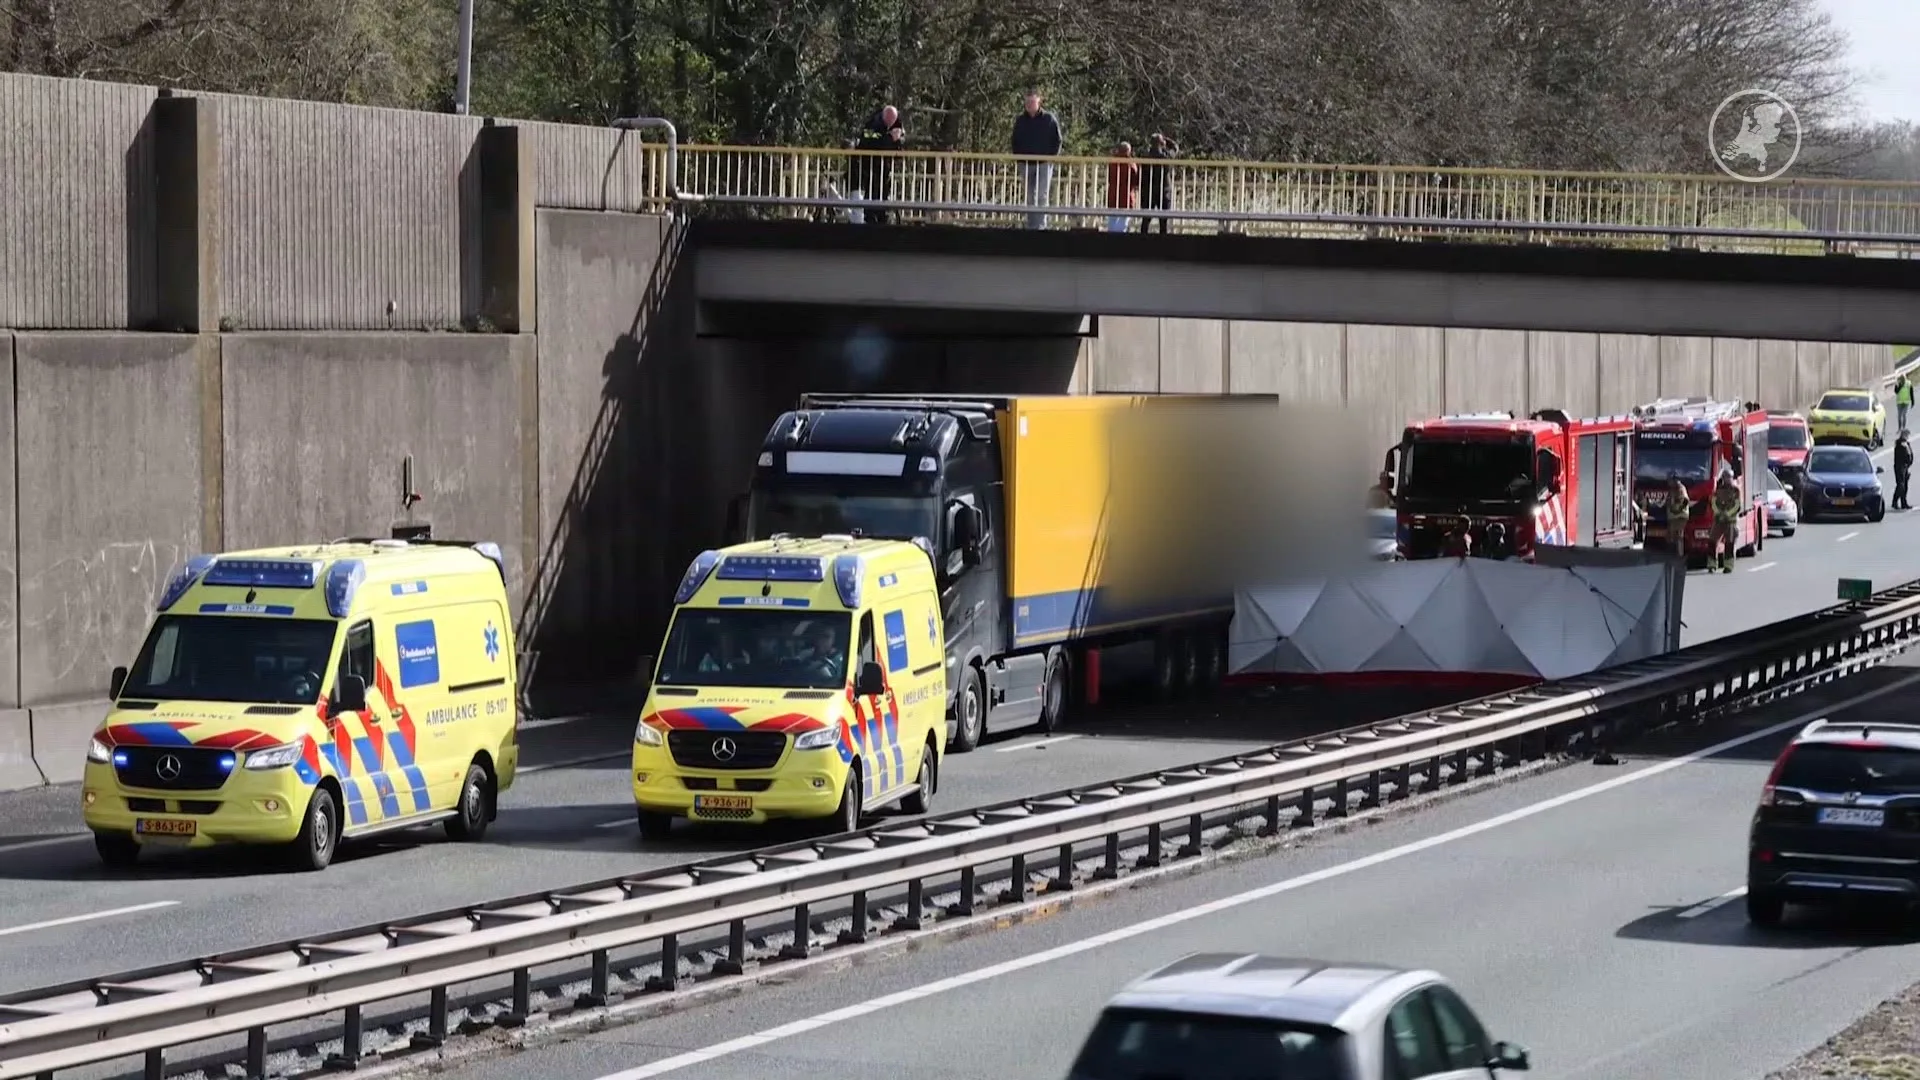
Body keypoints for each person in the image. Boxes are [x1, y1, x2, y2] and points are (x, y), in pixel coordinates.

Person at [1010, 90, 1062, 229]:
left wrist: (1051, 159)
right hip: (1026, 164)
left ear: (1039, 102)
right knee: (1029, 196)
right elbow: (1014, 140)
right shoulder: (1020, 120)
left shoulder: (1049, 119)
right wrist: (1019, 158)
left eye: (1032, 102)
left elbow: (1057, 140)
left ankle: (1040, 227)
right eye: (1027, 102)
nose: (1029, 105)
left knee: (1041, 196)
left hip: (1044, 164)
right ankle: (1031, 226)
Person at [854, 105, 905, 226]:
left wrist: (898, 139)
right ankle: (870, 216)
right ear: (883, 116)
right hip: (870, 162)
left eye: (892, 122)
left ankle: (883, 215)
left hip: (886, 163)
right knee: (872, 189)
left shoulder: (898, 122)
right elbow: (867, 139)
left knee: (885, 189)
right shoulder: (873, 122)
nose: (890, 124)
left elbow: (902, 140)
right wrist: (889, 138)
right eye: (888, 121)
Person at [1138, 132, 1178, 233]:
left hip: (1148, 190)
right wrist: (1166, 139)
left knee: (1146, 220)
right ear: (1161, 143)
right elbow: (1175, 148)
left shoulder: (1145, 156)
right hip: (1163, 190)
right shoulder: (1166, 156)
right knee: (1163, 220)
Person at [1709, 470, 1741, 573]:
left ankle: (1728, 566)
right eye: (1726, 477)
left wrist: (1728, 513)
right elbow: (1713, 502)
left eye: (1729, 477)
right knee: (1712, 540)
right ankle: (1712, 564)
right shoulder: (1718, 489)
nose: (1728, 480)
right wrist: (1718, 512)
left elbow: (1737, 505)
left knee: (1729, 543)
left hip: (1730, 521)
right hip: (1718, 520)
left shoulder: (1736, 490)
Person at [1106, 141, 1138, 232]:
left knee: (1112, 221)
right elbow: (1135, 180)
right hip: (1126, 196)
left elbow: (1110, 178)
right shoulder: (1131, 164)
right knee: (1124, 222)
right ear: (1128, 151)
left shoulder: (1113, 162)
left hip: (1113, 195)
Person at [1896, 429, 1914, 510]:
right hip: (1900, 467)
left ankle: (1904, 503)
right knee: (1901, 485)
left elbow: (1910, 454)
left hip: (1906, 467)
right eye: (1906, 435)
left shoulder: (1907, 443)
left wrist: (1909, 463)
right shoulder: (1900, 443)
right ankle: (1895, 501)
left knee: (1905, 485)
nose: (1907, 437)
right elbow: (1901, 455)